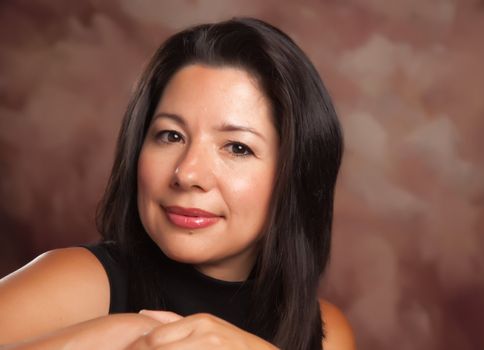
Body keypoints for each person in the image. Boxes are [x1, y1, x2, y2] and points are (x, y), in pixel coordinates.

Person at [0, 17, 354, 349]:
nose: (187, 174)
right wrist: (121, 334)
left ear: (295, 173)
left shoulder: (326, 332)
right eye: (170, 136)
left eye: (237, 147)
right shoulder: (81, 282)